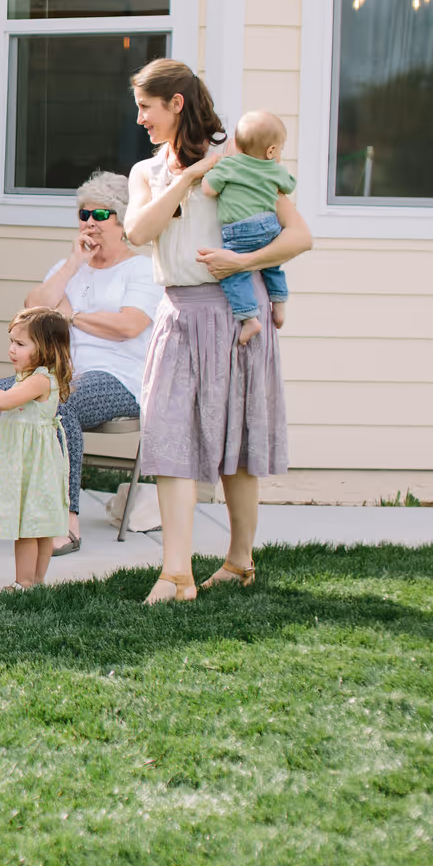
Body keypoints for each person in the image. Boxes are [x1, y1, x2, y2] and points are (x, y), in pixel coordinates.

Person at [125, 58, 311, 604]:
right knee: (167, 433)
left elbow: (299, 237)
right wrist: (185, 178)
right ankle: (177, 573)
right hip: (178, 313)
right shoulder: (146, 173)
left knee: (240, 438)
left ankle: (239, 561)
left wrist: (238, 262)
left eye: (146, 108)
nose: (140, 119)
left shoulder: (240, 162)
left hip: (236, 313)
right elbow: (138, 231)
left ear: (175, 104)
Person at [0, 171, 159, 554]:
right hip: (54, 374)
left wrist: (71, 316)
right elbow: (35, 309)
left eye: (101, 214)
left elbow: (128, 326)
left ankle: (66, 521)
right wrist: (74, 263)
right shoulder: (69, 267)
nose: (89, 221)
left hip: (119, 378)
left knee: (60, 404)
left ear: (123, 220)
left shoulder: (141, 270)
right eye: (83, 213)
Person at [0, 309, 74, 592]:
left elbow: (7, 401)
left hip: (31, 461)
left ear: (47, 348)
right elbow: (14, 407)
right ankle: (36, 582)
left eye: (20, 344)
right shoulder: (32, 377)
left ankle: (24, 583)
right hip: (34, 459)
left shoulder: (38, 379)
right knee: (40, 523)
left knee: (28, 526)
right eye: (11, 341)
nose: (12, 350)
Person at [200, 109, 297, 347]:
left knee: (235, 274)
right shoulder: (274, 169)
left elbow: (209, 189)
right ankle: (280, 305)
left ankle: (249, 319)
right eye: (280, 149)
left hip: (240, 230)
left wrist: (212, 172)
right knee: (272, 265)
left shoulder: (230, 166)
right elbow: (288, 186)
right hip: (269, 225)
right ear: (271, 151)